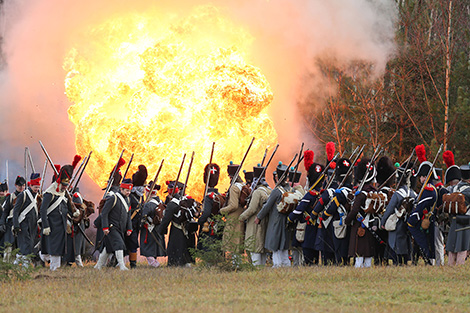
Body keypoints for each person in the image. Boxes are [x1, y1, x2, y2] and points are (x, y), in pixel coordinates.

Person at [40, 157, 81, 271]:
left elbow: (66, 205)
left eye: (66, 185)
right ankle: (53, 266)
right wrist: (46, 226)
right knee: (53, 248)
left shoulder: (63, 193)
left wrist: (74, 213)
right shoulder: (49, 193)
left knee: (58, 247)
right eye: (63, 185)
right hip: (52, 224)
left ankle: (55, 267)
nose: (65, 187)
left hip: (61, 224)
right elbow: (43, 210)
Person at [256, 162, 293, 267]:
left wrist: (259, 217)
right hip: (286, 220)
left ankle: (277, 265)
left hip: (276, 220)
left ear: (278, 177)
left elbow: (267, 206)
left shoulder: (276, 191)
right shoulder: (290, 189)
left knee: (275, 244)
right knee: (284, 245)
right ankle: (286, 264)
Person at [407, 145, 437, 265]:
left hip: (425, 220)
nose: (420, 178)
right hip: (423, 219)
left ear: (425, 177)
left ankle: (428, 258)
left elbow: (421, 205)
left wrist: (413, 217)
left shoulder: (429, 189)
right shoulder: (426, 188)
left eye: (421, 176)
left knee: (424, 241)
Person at [381, 161, 416, 265]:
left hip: (397, 222)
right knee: (405, 244)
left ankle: (397, 262)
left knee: (396, 244)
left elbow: (389, 209)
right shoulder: (413, 193)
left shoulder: (398, 194)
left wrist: (383, 222)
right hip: (408, 223)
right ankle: (404, 262)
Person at [320, 157, 354, 265]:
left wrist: (324, 216)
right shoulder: (352, 190)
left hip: (338, 222)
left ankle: (340, 263)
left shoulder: (340, 193)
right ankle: (346, 262)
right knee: (347, 244)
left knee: (339, 246)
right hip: (349, 221)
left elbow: (331, 208)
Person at [94, 178, 133, 270]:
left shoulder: (127, 200)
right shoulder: (113, 198)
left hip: (120, 228)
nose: (128, 193)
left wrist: (129, 228)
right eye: (127, 190)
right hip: (112, 228)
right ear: (121, 189)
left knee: (108, 248)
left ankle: (98, 266)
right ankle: (122, 265)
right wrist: (105, 227)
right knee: (119, 244)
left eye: (130, 191)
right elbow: (104, 214)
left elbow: (128, 215)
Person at [345, 158, 377, 268]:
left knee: (359, 254)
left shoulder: (361, 193)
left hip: (360, 225)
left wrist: (347, 220)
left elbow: (354, 210)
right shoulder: (374, 191)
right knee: (368, 254)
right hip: (371, 224)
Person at [239, 164, 271, 266]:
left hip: (255, 224)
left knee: (254, 248)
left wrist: (241, 217)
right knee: (261, 249)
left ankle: (256, 269)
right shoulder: (269, 190)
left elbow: (252, 209)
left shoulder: (257, 192)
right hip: (265, 222)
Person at [12, 173, 41, 266]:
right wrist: (16, 225)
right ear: (30, 185)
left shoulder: (37, 196)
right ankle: (25, 267)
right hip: (23, 224)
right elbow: (15, 212)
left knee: (28, 245)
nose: (36, 189)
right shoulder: (23, 195)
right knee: (26, 245)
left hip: (33, 225)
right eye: (35, 187)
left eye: (38, 187)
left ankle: (16, 264)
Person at [445, 164, 470, 265]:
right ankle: (459, 267)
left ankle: (450, 265)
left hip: (454, 220)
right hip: (466, 221)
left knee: (452, 247)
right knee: (462, 247)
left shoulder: (453, 188)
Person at [219, 162, 245, 257]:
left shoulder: (234, 187)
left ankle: (235, 264)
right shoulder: (242, 185)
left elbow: (233, 205)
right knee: (238, 240)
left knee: (233, 242)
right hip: (240, 215)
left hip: (234, 218)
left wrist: (222, 211)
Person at [197, 163, 223, 252]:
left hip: (208, 225)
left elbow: (207, 212)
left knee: (208, 247)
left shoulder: (209, 196)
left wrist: (200, 221)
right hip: (218, 223)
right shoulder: (218, 195)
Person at [140, 182, 166, 267]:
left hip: (149, 229)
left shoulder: (148, 204)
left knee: (148, 248)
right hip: (158, 228)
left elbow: (143, 217)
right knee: (154, 247)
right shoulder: (161, 201)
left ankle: (154, 264)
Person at [126, 165, 147, 268]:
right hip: (129, 223)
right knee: (131, 243)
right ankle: (132, 264)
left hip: (137, 223)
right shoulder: (130, 196)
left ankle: (132, 263)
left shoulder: (141, 196)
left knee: (133, 243)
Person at [0, 176, 26, 261]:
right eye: (19, 185)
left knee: (20, 248)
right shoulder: (11, 197)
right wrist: (2, 223)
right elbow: (5, 212)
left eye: (23, 185)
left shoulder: (27, 197)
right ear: (16, 185)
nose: (21, 187)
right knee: (8, 247)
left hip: (22, 225)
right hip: (10, 225)